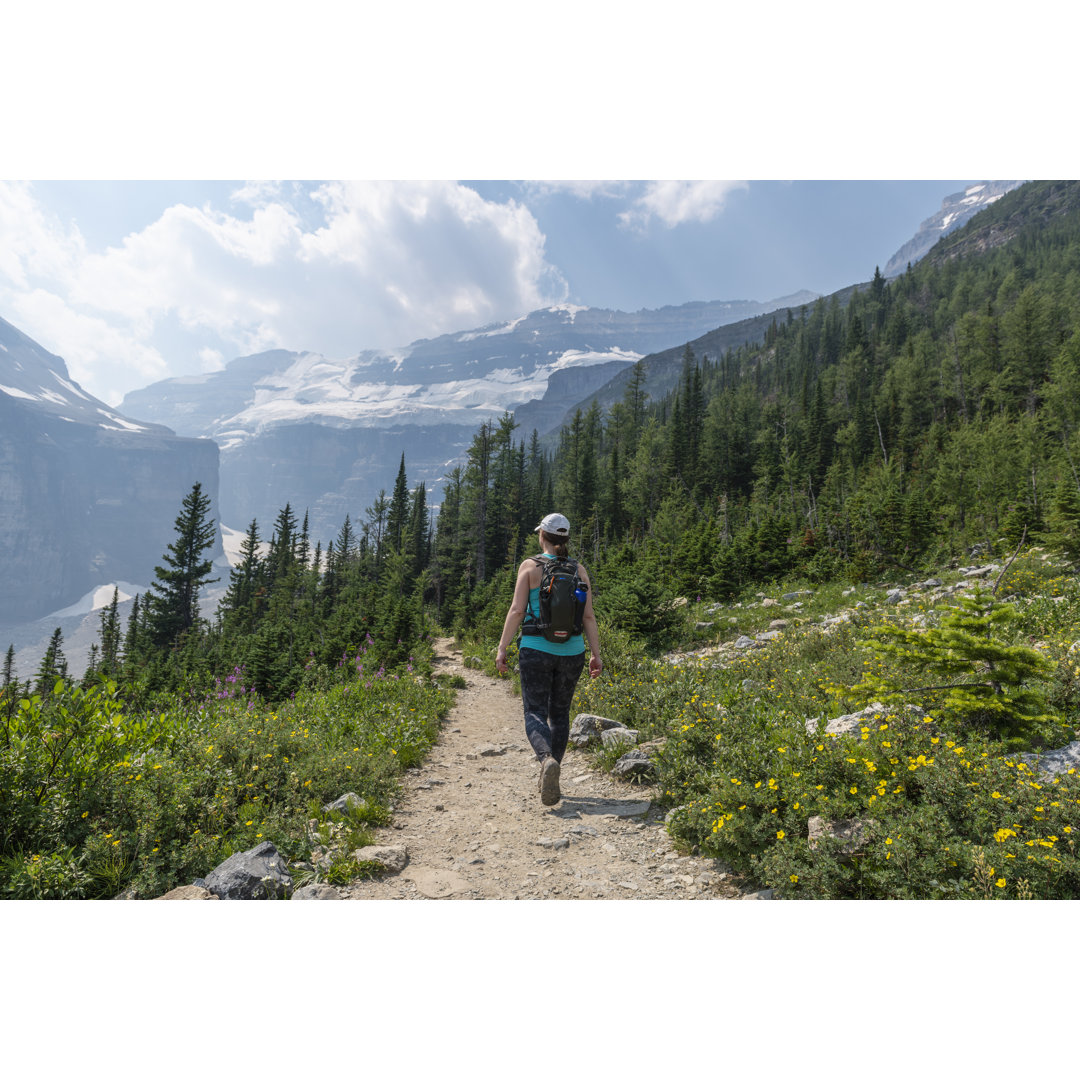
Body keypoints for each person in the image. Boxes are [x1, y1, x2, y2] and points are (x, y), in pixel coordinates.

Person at [495, 513, 602, 806]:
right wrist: (596, 654)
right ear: (565, 539)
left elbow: (517, 610)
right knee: (560, 713)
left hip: (535, 648)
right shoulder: (579, 570)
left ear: (542, 535)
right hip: (573, 651)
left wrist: (503, 647)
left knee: (534, 712)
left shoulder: (530, 567)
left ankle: (546, 761)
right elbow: (589, 616)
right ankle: (552, 770)